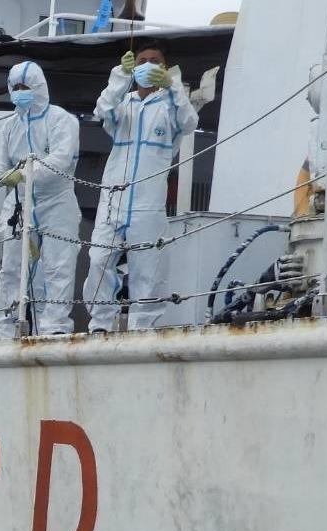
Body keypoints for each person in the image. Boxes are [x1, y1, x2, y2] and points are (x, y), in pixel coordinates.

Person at [83, 40, 198, 332]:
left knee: (147, 266)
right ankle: (100, 324)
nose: (147, 65)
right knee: (98, 259)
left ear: (165, 67)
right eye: (141, 61)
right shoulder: (124, 104)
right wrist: (120, 76)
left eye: (154, 61)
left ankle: (142, 327)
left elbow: (189, 122)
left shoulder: (170, 106)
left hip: (148, 201)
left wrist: (172, 86)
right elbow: (102, 109)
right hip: (113, 198)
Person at [0, 61, 83, 339]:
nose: (20, 92)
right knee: (12, 269)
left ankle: (54, 328)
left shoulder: (61, 120)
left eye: (25, 87)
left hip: (56, 202)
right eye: (15, 87)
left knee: (57, 266)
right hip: (18, 204)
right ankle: (3, 331)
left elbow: (61, 160)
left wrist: (25, 173)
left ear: (38, 87)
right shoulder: (10, 127)